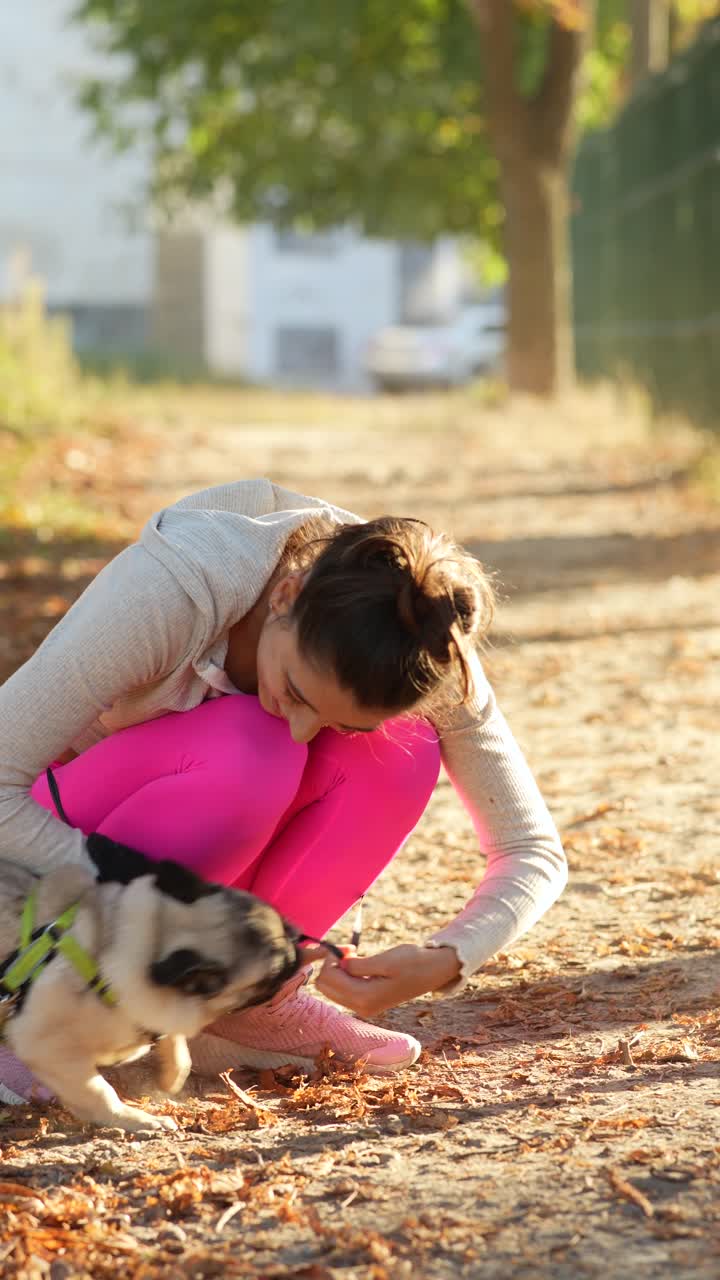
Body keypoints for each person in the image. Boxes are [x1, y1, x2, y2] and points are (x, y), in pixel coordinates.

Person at [0, 480, 566, 1102]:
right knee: (257, 747)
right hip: (33, 870)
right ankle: (30, 1008)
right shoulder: (177, 589)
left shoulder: (419, 638)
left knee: (400, 756)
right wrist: (158, 901)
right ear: (285, 595)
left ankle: (244, 1006)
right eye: (298, 690)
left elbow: (531, 848)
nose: (302, 728)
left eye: (332, 718)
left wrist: (449, 957)